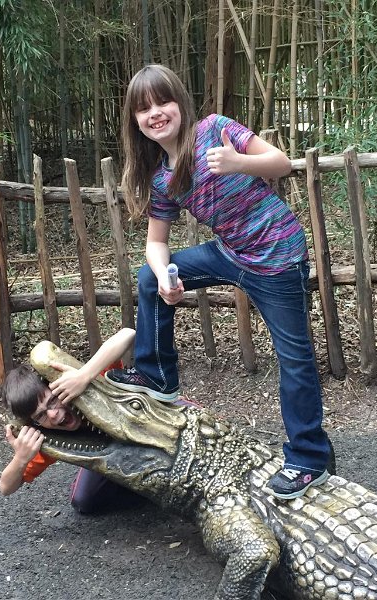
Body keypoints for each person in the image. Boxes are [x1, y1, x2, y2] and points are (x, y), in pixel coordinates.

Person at [105, 64, 331, 500]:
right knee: (149, 278)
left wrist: (238, 162)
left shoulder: (215, 129)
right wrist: (166, 277)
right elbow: (156, 243)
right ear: (135, 120)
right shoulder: (161, 177)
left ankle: (308, 458)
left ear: (180, 103)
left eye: (163, 102)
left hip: (277, 256)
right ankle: (158, 377)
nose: (156, 113)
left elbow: (281, 163)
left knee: (294, 359)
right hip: (230, 252)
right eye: (144, 108)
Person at [0, 328, 141, 513]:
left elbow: (128, 334)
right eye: (40, 416)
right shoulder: (52, 435)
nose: (52, 415)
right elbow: (5, 488)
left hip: (143, 423)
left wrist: (84, 375)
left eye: (52, 400)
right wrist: (20, 458)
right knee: (84, 500)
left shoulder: (90, 386)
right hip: (114, 455)